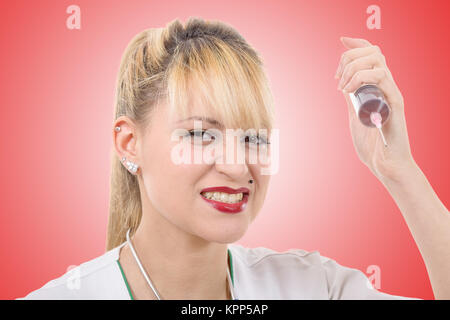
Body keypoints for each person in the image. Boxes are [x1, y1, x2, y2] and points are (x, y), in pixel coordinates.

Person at [19, 17, 449, 300]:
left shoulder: (310, 286)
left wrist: (398, 169)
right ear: (130, 143)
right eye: (201, 134)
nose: (238, 166)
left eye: (254, 138)